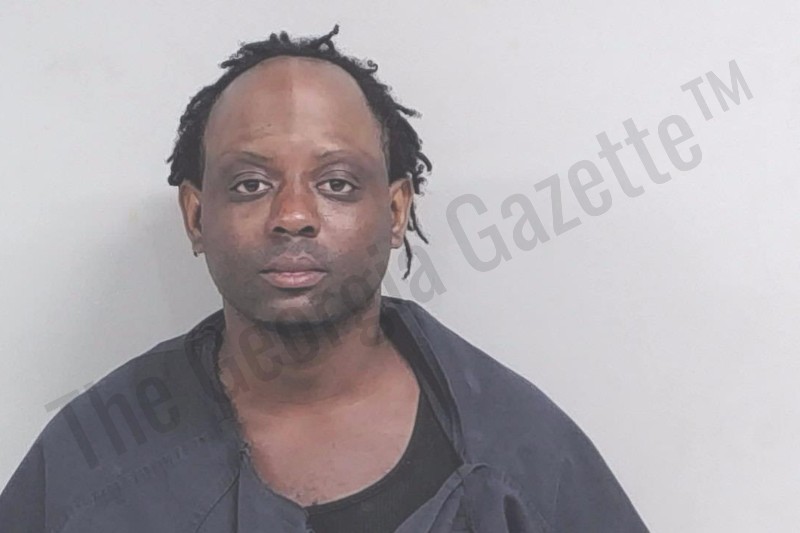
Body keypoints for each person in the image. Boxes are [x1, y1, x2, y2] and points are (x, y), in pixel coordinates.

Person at [0, 25, 649, 532]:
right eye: (250, 184)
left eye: (336, 183)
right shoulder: (94, 457)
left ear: (395, 211)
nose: (293, 215)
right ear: (196, 216)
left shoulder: (518, 452)